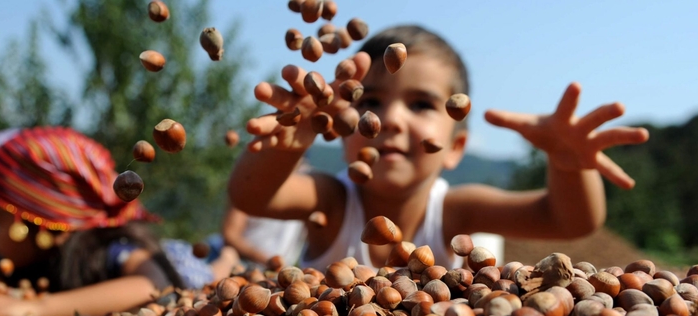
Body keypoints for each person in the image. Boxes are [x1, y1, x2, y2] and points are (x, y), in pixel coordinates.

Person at [227, 25, 649, 271]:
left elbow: (569, 221)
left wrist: (568, 166)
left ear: (455, 147)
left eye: (421, 104)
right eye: (370, 102)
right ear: (338, 128)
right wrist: (287, 143)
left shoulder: (457, 212)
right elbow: (251, 196)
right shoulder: (333, 201)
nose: (391, 119)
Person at [0, 126, 235, 316]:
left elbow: (151, 284)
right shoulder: (22, 258)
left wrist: (35, 308)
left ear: (44, 223)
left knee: (215, 270)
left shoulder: (106, 250)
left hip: (178, 262)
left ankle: (229, 253)